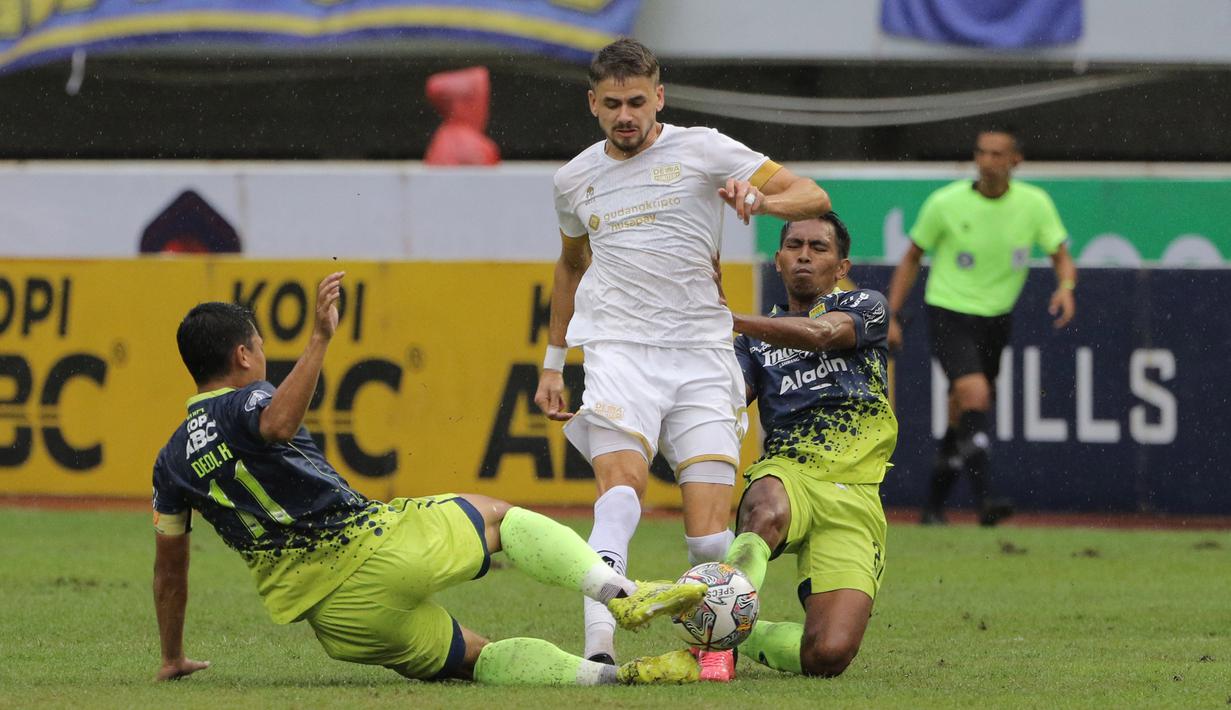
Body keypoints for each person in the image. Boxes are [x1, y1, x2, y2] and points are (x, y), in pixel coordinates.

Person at [151, 272, 709, 686]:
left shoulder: (170, 461)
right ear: (244, 354)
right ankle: (623, 595)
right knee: (499, 515)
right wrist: (320, 338)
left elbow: (170, 568)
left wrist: (172, 655)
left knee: (473, 658)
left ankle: (619, 680)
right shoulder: (252, 398)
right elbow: (275, 423)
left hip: (337, 622)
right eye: (263, 349)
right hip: (373, 548)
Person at [534, 37, 831, 679]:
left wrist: (762, 201)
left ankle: (714, 647)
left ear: (659, 97)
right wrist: (553, 362)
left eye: (637, 101)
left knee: (706, 534)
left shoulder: (704, 148)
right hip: (619, 349)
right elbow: (570, 263)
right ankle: (599, 648)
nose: (625, 115)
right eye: (612, 103)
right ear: (593, 104)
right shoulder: (573, 179)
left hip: (701, 351)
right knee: (622, 488)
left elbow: (810, 194)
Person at [719, 213, 895, 678]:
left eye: (818, 247)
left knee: (828, 654)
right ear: (778, 260)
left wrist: (728, 316)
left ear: (841, 265)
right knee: (767, 509)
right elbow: (722, 401)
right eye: (794, 245)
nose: (804, 254)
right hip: (790, 471)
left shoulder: (867, 304)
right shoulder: (750, 347)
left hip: (856, 494)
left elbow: (821, 335)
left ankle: (731, 631)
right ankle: (718, 623)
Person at [885, 129, 1077, 526]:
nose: (987, 161)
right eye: (981, 153)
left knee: (961, 408)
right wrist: (892, 314)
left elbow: (1061, 255)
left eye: (996, 154)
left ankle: (933, 507)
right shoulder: (945, 203)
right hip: (949, 310)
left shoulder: (1035, 204)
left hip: (996, 319)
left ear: (1015, 161)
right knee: (975, 394)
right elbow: (911, 257)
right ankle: (986, 499)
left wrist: (1066, 288)